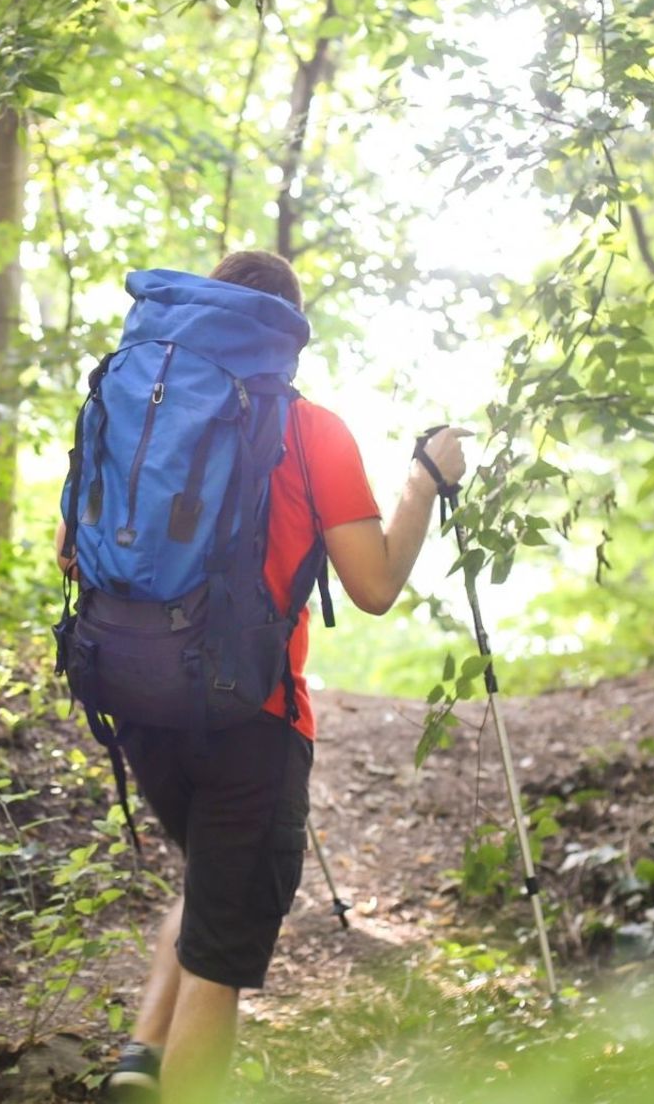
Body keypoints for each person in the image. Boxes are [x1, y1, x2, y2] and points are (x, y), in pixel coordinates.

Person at [78, 251, 470, 1104]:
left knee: (210, 883)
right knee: (221, 950)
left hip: (136, 692)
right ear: (286, 338)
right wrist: (424, 482)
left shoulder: (131, 401)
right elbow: (372, 585)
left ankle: (140, 1060)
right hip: (252, 718)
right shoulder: (310, 429)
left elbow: (78, 549)